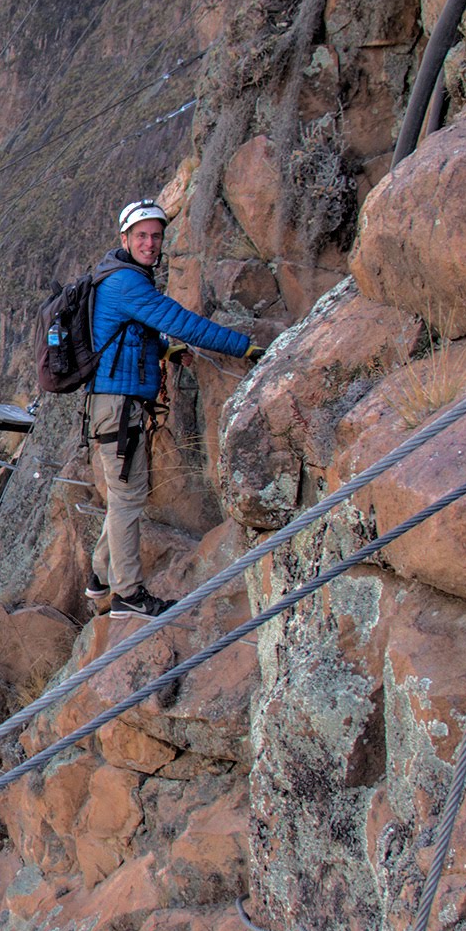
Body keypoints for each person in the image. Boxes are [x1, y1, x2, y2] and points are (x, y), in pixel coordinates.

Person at [84, 199, 264, 618]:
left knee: (124, 494)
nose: (150, 243)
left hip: (117, 405)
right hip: (119, 408)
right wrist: (244, 347)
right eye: (141, 236)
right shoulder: (126, 283)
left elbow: (132, 334)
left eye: (156, 236)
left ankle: (100, 576)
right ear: (125, 239)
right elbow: (181, 321)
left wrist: (165, 351)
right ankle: (128, 595)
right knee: (128, 498)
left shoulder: (120, 276)